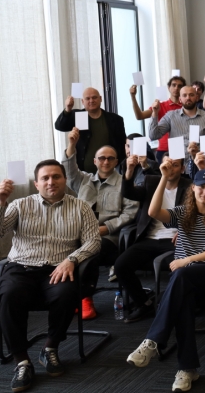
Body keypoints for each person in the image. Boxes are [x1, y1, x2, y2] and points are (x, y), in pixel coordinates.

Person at [0, 160, 100, 392]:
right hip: (21, 267)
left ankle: (50, 348)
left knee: (66, 294)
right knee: (9, 296)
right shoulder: (20, 204)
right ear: (36, 184)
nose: (51, 182)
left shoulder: (81, 207)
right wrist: (0, 201)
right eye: (45, 178)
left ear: (65, 180)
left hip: (58, 268)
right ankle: (21, 360)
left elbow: (94, 241)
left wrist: (72, 259)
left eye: (56, 176)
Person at [127, 168, 205, 393]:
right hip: (184, 277)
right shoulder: (183, 211)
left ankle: (153, 340)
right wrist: (164, 178)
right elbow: (153, 211)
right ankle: (187, 369)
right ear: (193, 188)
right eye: (201, 187)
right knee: (183, 299)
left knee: (180, 276)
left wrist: (188, 260)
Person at [63, 128, 137, 319]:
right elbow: (69, 169)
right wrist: (72, 144)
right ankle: (67, 296)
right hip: (80, 234)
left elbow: (130, 213)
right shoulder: (83, 180)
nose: (105, 161)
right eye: (102, 158)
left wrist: (105, 228)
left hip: (109, 238)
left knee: (90, 251)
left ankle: (85, 299)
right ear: (95, 161)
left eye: (110, 158)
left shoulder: (125, 183)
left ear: (116, 162)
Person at [117, 155, 192, 322]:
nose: (170, 169)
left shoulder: (189, 186)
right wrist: (129, 170)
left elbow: (196, 213)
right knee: (121, 265)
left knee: (180, 269)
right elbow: (128, 192)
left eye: (175, 165)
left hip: (175, 239)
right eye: (167, 164)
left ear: (182, 169)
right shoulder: (151, 182)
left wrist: (185, 230)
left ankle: (174, 307)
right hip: (150, 237)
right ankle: (144, 303)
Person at [55, 87, 127, 172]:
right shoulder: (78, 116)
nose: (91, 101)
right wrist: (68, 109)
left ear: (100, 99)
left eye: (94, 97)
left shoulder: (116, 119)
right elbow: (59, 126)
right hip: (83, 172)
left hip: (110, 171)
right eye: (87, 98)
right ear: (83, 101)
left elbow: (122, 144)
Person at [149, 84, 205, 155]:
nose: (188, 98)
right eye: (184, 95)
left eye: (191, 95)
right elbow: (154, 135)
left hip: (202, 159)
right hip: (178, 160)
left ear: (196, 97)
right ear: (180, 99)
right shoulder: (170, 116)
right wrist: (155, 112)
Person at [131, 75, 185, 162]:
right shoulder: (160, 106)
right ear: (168, 87)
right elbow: (139, 116)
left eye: (179, 86)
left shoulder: (186, 107)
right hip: (163, 148)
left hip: (180, 147)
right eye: (174, 85)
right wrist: (133, 97)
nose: (176, 88)